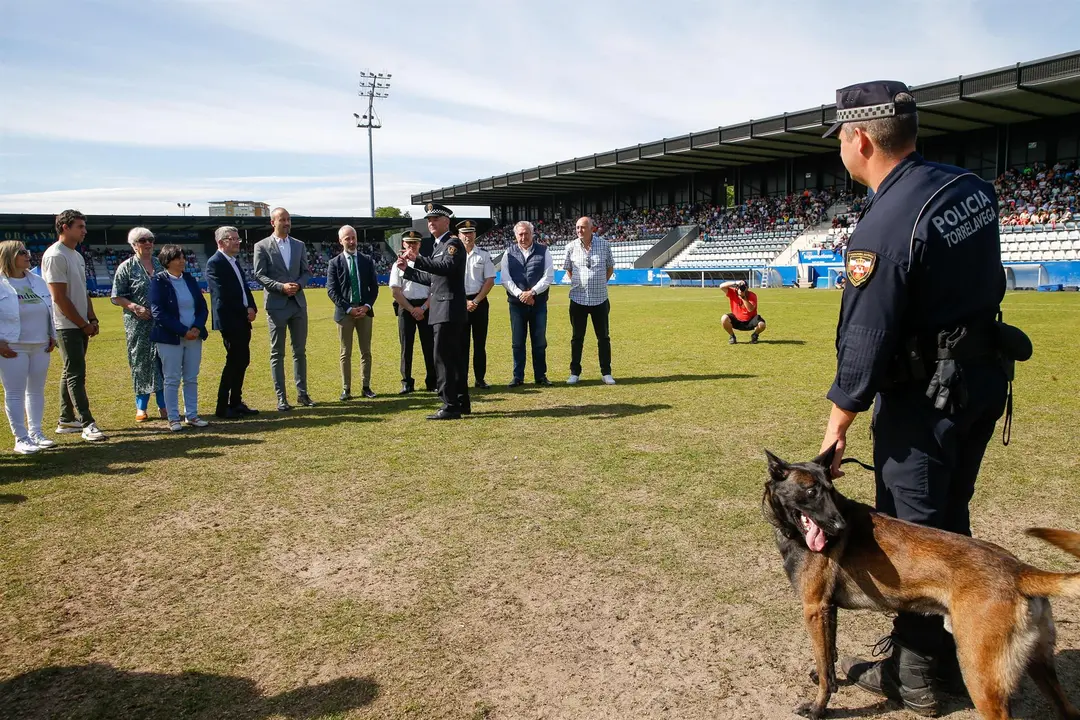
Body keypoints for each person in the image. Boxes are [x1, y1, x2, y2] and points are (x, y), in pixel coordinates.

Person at [818, 81, 1011, 715]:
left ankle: (921, 669)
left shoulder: (884, 222)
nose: (841, 152)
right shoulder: (970, 189)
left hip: (925, 400)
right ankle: (956, 643)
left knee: (913, 527)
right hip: (980, 383)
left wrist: (840, 416)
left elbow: (867, 335)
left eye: (842, 139)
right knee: (952, 513)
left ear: (862, 138)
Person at [398, 204, 470, 420]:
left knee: (444, 358)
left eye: (436, 219)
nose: (431, 223)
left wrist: (417, 259)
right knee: (452, 358)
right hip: (443, 308)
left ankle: (449, 405)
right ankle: (460, 402)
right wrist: (408, 271)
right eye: (429, 220)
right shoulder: (439, 247)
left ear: (447, 221)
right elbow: (433, 279)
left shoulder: (452, 243)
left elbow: (445, 268)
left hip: (448, 309)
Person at [41, 209, 106, 442]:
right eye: (80, 226)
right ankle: (87, 423)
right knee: (76, 374)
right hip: (66, 325)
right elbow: (58, 298)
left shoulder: (76, 255)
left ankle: (66, 418)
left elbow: (82, 291)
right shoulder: (55, 256)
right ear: (65, 227)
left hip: (79, 324)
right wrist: (82, 324)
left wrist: (92, 318)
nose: (85, 231)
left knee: (70, 371)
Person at [253, 207, 314, 411]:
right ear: (273, 222)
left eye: (288, 219)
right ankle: (281, 398)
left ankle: (302, 394)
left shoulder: (299, 245)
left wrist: (298, 284)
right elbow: (259, 275)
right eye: (282, 220)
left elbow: (306, 272)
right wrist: (281, 287)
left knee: (300, 352)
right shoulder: (261, 246)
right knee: (277, 353)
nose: (287, 223)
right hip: (276, 306)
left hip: (298, 304)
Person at [0, 240, 57, 454]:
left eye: (27, 251)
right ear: (8, 256)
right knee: (14, 392)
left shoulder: (38, 281)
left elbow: (48, 309)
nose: (27, 255)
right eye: (22, 252)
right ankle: (21, 438)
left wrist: (52, 335)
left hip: (40, 344)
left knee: (36, 391)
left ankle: (36, 432)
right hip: (13, 346)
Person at [150, 244, 210, 432]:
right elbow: (158, 312)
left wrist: (196, 328)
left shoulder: (190, 279)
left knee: (191, 377)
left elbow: (202, 307)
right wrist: (183, 331)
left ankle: (191, 415)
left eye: (183, 257)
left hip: (194, 336)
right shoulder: (158, 281)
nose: (182, 260)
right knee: (172, 378)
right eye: (177, 257)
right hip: (169, 338)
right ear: (167, 261)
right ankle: (174, 418)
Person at [110, 227, 166, 422]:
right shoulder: (126, 267)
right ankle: (141, 407)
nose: (148, 243)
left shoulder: (161, 264)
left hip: (162, 323)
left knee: (163, 363)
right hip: (138, 324)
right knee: (141, 364)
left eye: (150, 239)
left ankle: (164, 405)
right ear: (134, 245)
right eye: (142, 240)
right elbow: (117, 296)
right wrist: (134, 307)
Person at [205, 226, 259, 420]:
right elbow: (222, 295)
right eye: (232, 239)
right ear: (221, 242)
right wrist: (245, 310)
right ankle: (222, 406)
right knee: (233, 362)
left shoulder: (233, 262)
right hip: (230, 320)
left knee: (242, 360)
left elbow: (244, 289)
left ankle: (236, 402)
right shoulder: (215, 263)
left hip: (242, 318)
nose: (237, 242)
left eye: (238, 239)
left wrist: (252, 307)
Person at [327, 225, 378, 401]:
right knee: (345, 353)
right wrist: (348, 308)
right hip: (344, 314)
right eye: (347, 238)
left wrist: (366, 306)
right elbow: (332, 291)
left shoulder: (367, 260)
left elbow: (374, 288)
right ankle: (346, 389)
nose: (351, 241)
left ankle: (366, 386)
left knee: (366, 352)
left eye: (353, 237)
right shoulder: (334, 263)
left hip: (364, 312)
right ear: (340, 241)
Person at [563, 216, 616, 385]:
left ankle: (606, 372)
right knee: (577, 337)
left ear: (592, 228)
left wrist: (598, 284)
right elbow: (569, 270)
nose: (580, 230)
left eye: (583, 227)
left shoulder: (604, 245)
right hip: (578, 300)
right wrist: (581, 284)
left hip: (600, 299)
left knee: (603, 337)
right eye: (577, 227)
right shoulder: (570, 247)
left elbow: (609, 268)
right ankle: (574, 373)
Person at [502, 220, 554, 387]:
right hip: (516, 305)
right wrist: (520, 295)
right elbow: (505, 279)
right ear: (515, 235)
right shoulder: (508, 253)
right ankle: (518, 377)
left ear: (532, 234)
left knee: (539, 341)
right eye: (520, 234)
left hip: (538, 303)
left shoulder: (544, 251)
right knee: (517, 342)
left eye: (526, 233)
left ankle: (541, 376)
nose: (523, 237)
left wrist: (532, 293)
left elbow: (548, 277)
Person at [389, 232, 436, 395]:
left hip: (426, 306)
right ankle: (406, 382)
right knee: (406, 347)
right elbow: (395, 291)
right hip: (406, 307)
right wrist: (412, 309)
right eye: (409, 243)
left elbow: (435, 290)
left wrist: (422, 309)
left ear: (420, 245)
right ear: (403, 244)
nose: (411, 246)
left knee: (429, 346)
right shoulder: (397, 265)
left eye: (415, 243)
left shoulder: (427, 263)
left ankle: (432, 381)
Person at [457, 219, 495, 389]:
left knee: (480, 344)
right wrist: (464, 302)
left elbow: (489, 280)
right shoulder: (454, 255)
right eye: (464, 233)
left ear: (475, 234)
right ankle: (462, 379)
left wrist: (476, 301)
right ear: (459, 235)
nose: (468, 236)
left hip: (479, 302)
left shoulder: (483, 255)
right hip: (460, 302)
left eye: (471, 233)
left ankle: (480, 379)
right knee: (461, 344)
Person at [718, 280, 766, 344]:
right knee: (724, 318)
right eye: (739, 287)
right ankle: (732, 336)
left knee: (762, 325)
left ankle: (755, 335)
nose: (741, 289)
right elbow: (721, 286)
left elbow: (750, 309)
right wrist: (735, 282)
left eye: (743, 287)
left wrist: (743, 297)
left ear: (747, 288)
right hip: (737, 320)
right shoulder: (733, 292)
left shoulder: (752, 295)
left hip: (750, 320)